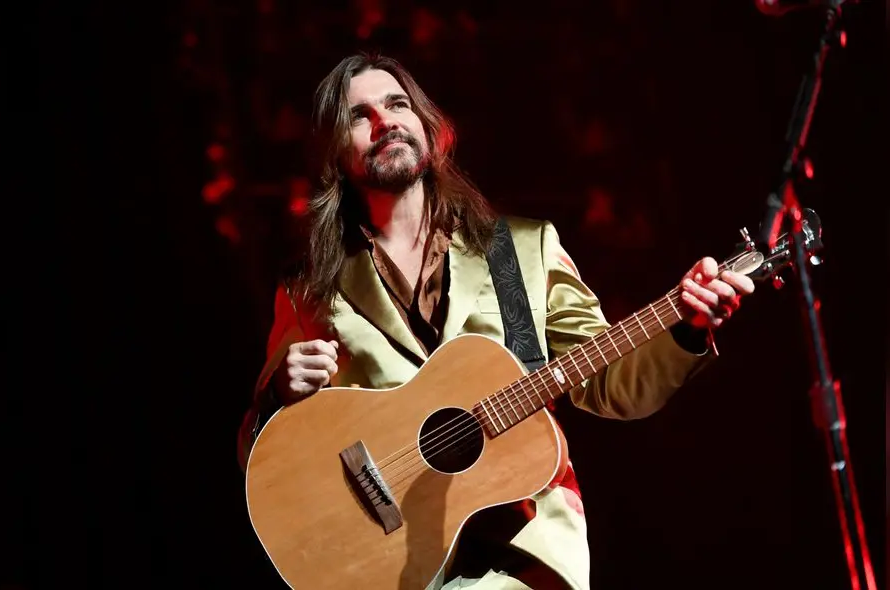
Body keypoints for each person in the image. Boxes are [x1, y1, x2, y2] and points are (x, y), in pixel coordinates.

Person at [237, 52, 755, 590]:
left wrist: (686, 327)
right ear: (334, 153)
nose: (384, 121)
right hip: (391, 563)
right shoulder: (311, 288)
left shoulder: (522, 252)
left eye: (397, 104)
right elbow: (267, 464)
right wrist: (276, 396)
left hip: (524, 548)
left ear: (427, 126)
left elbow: (612, 383)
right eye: (359, 116)